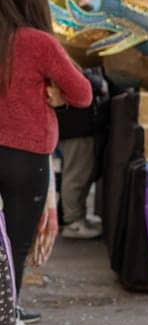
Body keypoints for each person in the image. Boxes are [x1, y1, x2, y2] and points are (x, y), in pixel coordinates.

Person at [0, 0, 90, 325]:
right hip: (26, 156)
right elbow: (83, 93)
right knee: (16, 246)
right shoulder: (38, 42)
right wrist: (56, 91)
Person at [56, 66, 107, 239]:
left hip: (77, 126)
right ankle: (73, 222)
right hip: (75, 126)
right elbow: (87, 83)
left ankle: (78, 218)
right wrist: (98, 81)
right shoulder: (69, 61)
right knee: (76, 176)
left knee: (80, 174)